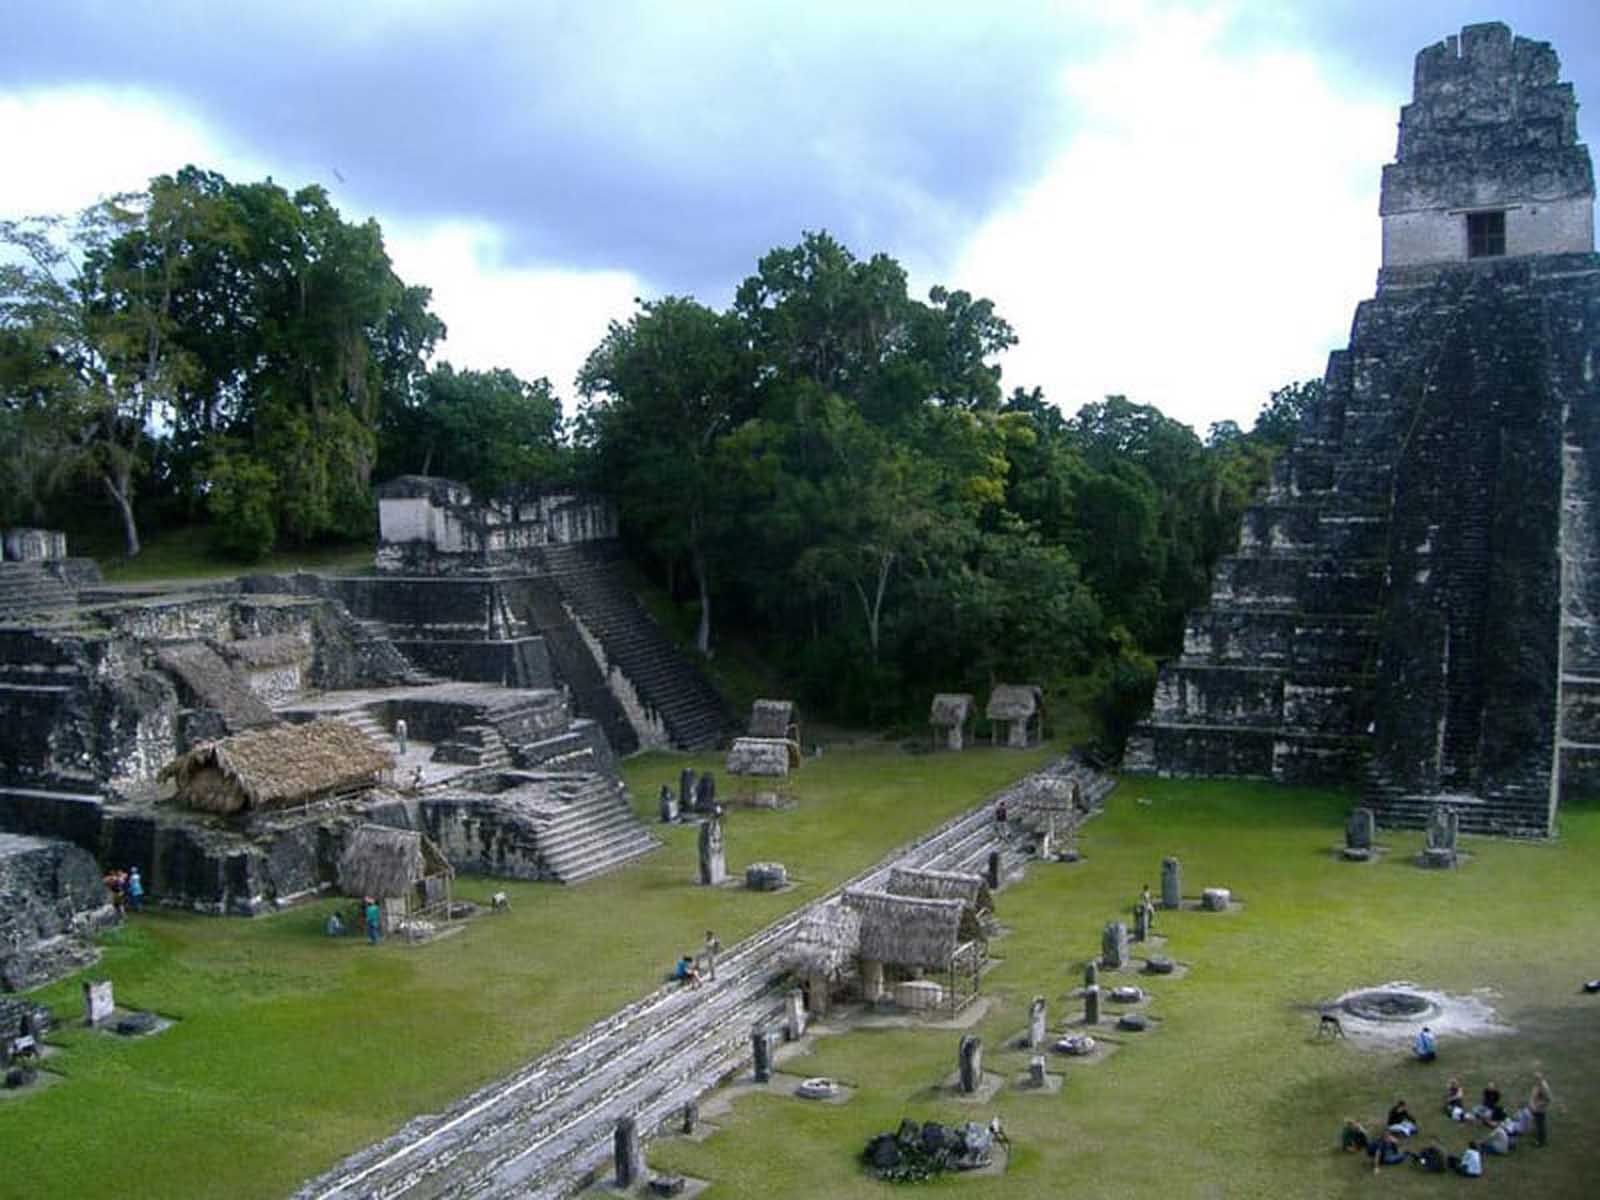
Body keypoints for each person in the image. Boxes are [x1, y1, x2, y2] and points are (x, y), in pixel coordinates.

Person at [1529, 1070, 1552, 1147]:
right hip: (1535, 1108)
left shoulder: (1544, 1087)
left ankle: (1540, 1142)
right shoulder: (1537, 1084)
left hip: (1539, 1109)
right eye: (1535, 1078)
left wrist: (1537, 1105)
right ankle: (1537, 1135)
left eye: (1537, 1078)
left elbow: (1548, 1099)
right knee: (1537, 1122)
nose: (1535, 1080)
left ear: (1541, 1078)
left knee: (1541, 1124)